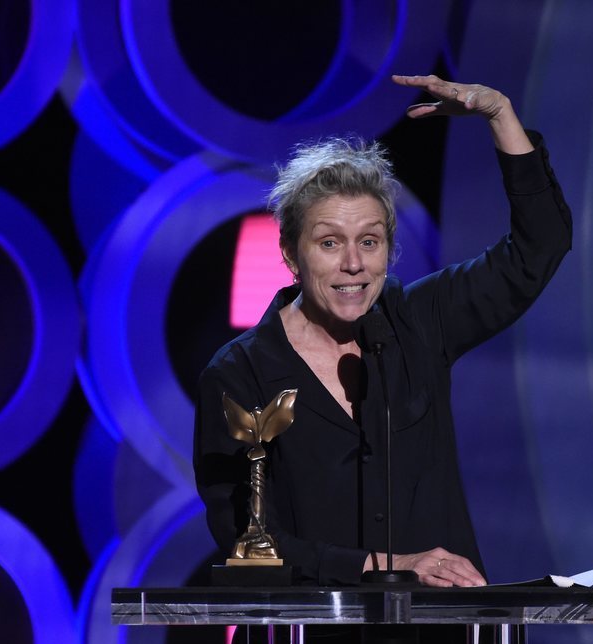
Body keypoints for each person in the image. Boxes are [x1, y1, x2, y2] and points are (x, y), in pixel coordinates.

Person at [194, 74, 572, 587]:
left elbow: (539, 247)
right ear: (289, 254)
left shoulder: (421, 320)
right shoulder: (241, 373)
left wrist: (501, 115)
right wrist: (378, 567)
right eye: (329, 243)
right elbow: (246, 538)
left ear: (389, 251)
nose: (353, 264)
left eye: (369, 242)